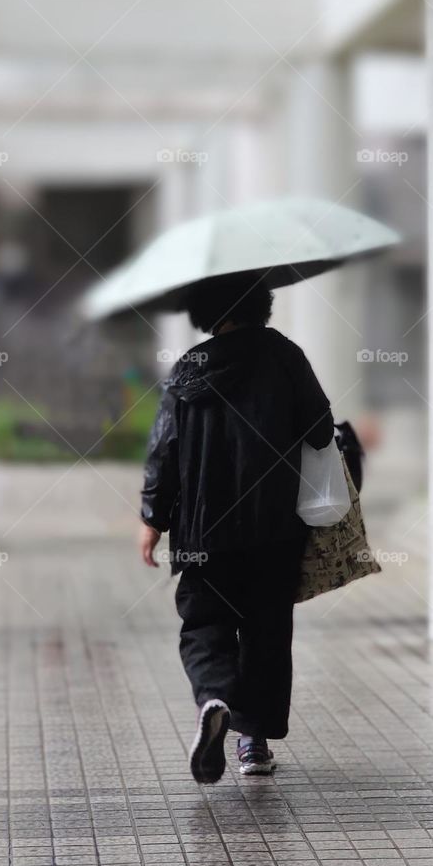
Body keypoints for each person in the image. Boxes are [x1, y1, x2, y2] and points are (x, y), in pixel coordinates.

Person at [139, 274, 333, 784]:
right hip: (274, 529)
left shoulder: (187, 368)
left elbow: (165, 451)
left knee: (205, 626)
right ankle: (252, 743)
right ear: (262, 305)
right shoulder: (284, 356)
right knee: (266, 631)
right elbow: (318, 429)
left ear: (204, 312)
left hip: (203, 534)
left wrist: (151, 521)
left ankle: (215, 697)